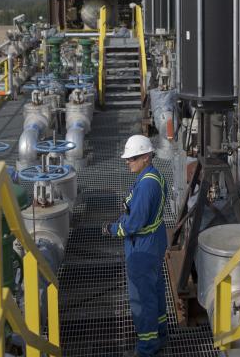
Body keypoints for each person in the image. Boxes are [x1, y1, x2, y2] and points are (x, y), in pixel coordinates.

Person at [103, 134, 169, 356]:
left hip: (142, 248)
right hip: (155, 241)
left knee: (142, 298)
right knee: (155, 290)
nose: (127, 161)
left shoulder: (147, 184)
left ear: (147, 157)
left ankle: (147, 346)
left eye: (132, 158)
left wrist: (113, 229)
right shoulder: (153, 176)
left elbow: (133, 224)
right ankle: (160, 333)